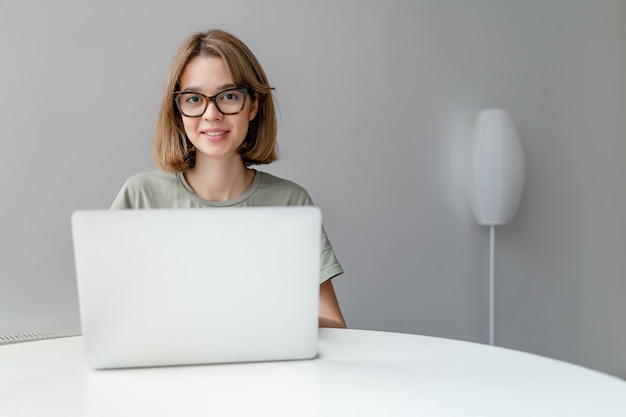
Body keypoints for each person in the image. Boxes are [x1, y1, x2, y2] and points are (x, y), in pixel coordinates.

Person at [111, 29, 346, 328]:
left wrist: (260, 319)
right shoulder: (140, 196)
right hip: (165, 372)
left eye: (229, 96)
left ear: (253, 106)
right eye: (194, 98)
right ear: (178, 110)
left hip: (262, 372)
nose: (212, 114)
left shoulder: (291, 203)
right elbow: (112, 317)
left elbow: (334, 324)